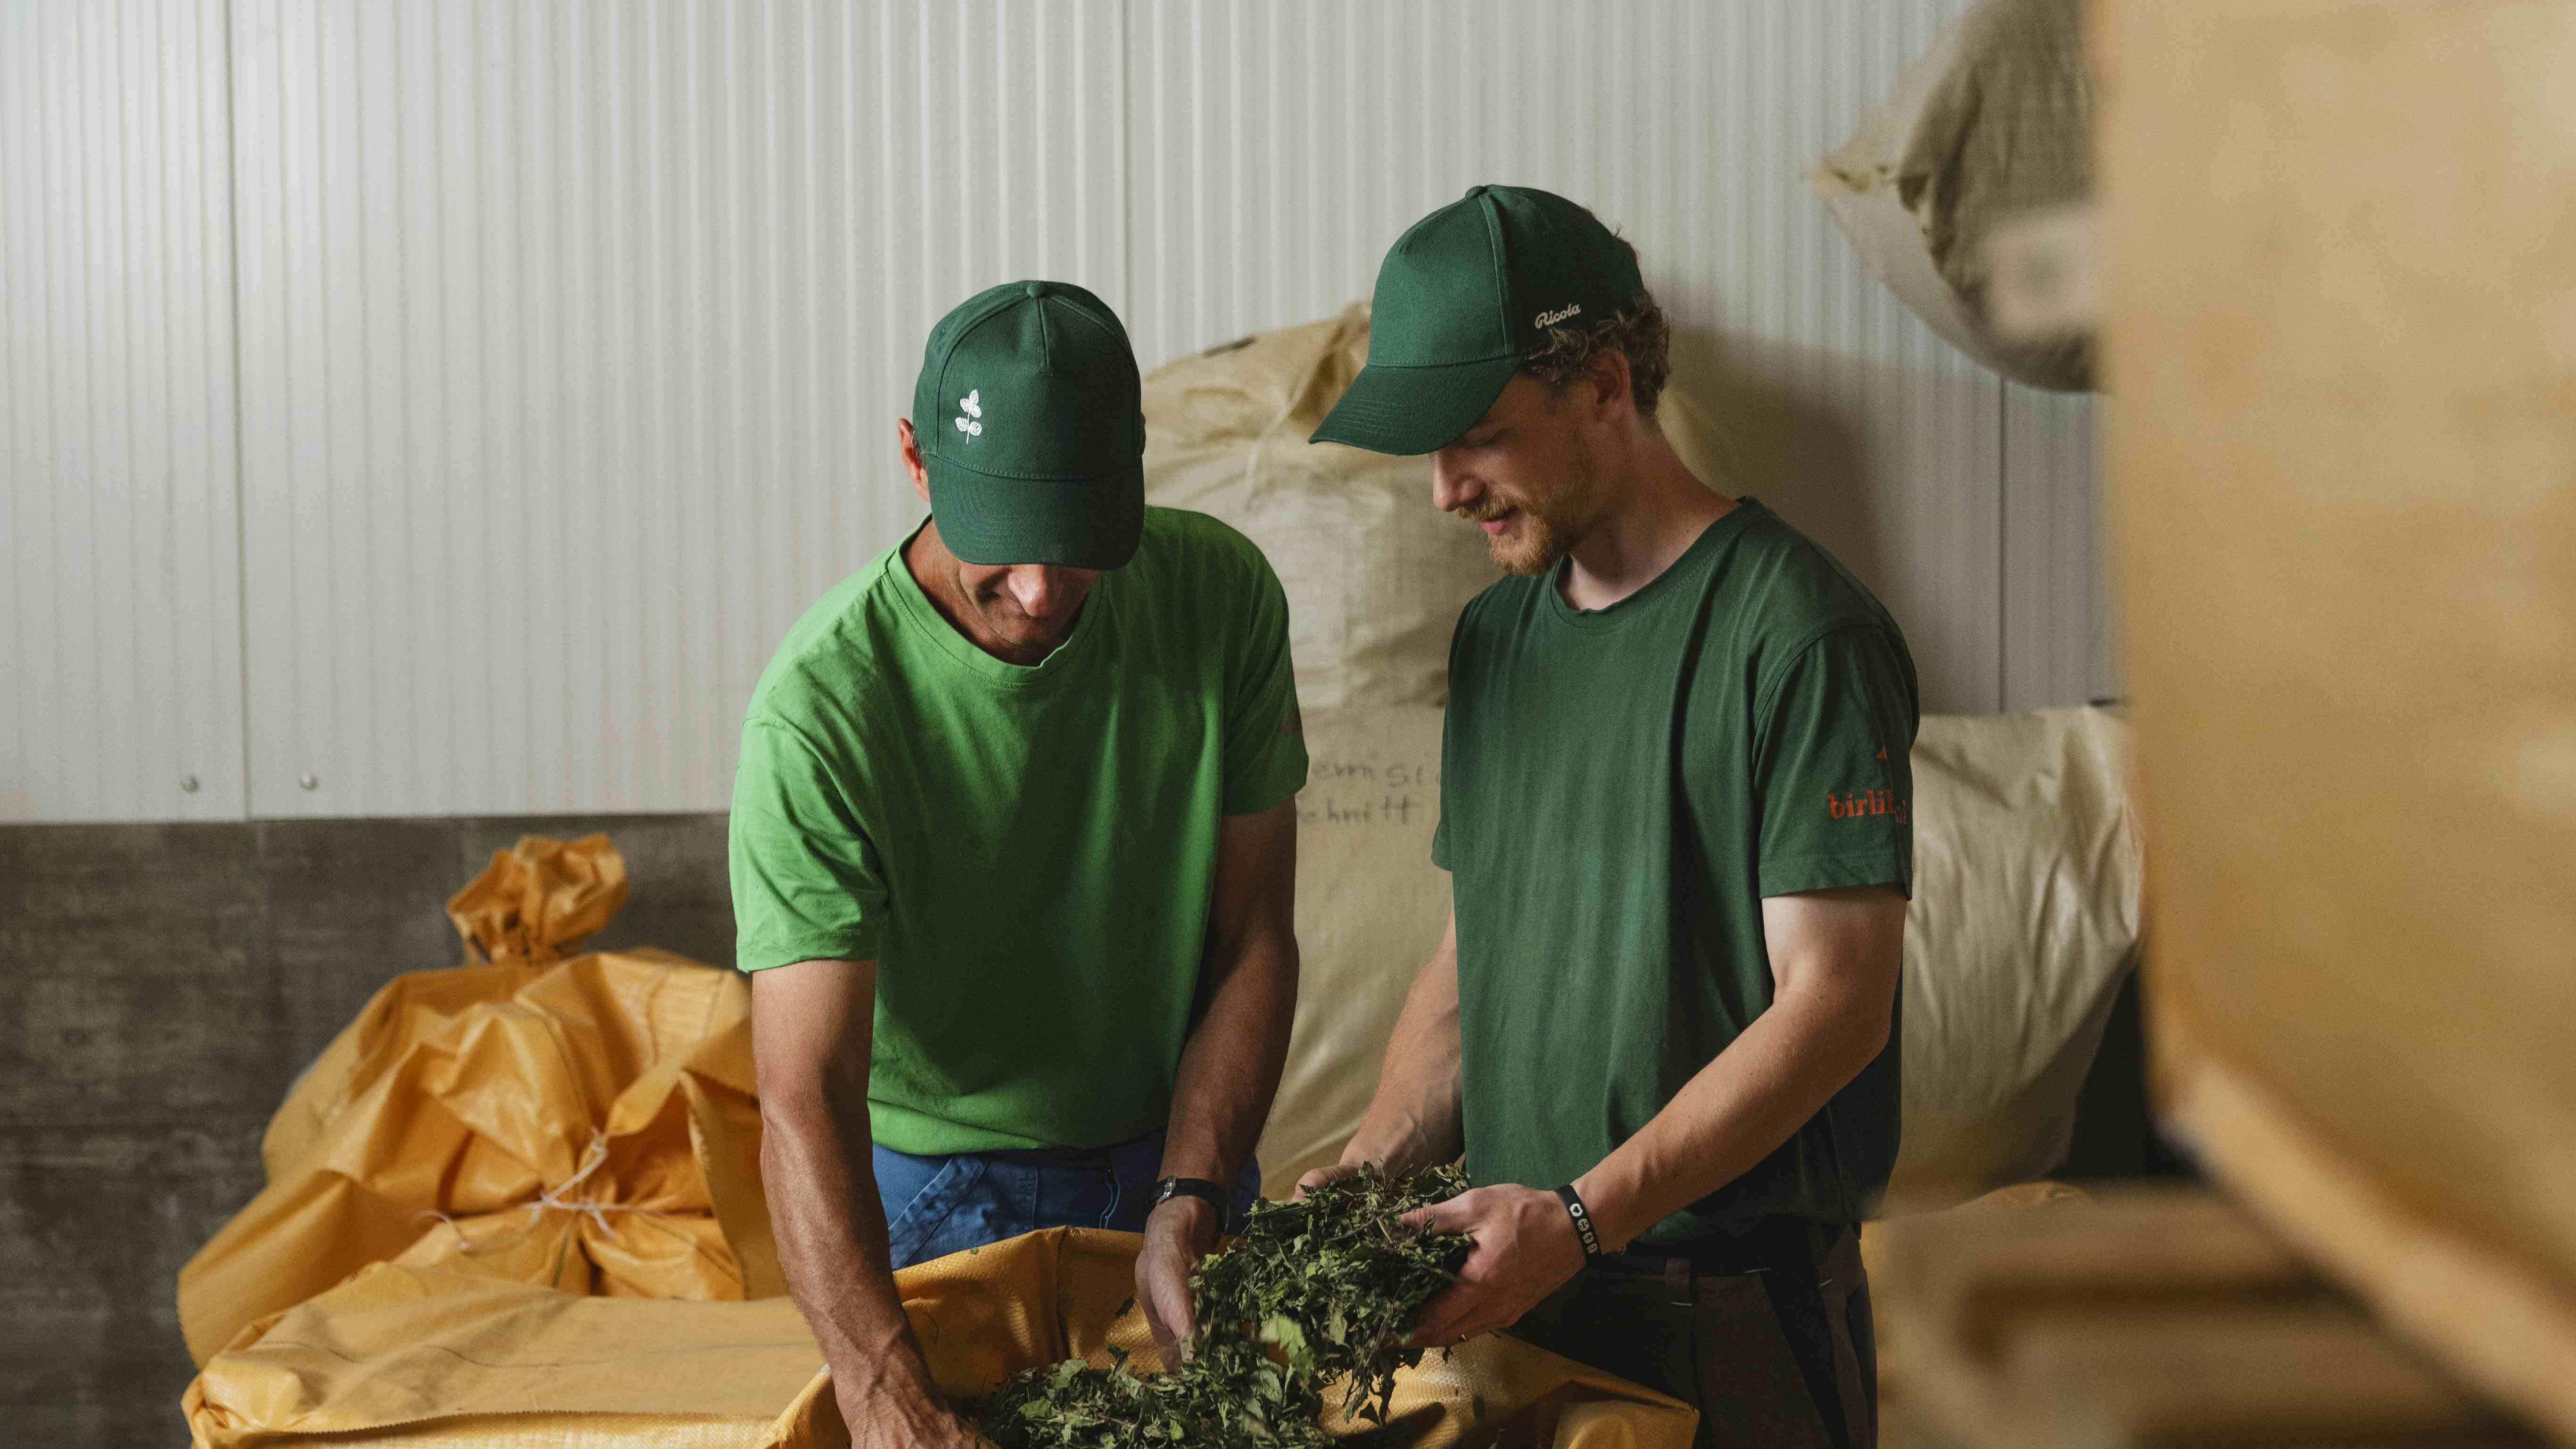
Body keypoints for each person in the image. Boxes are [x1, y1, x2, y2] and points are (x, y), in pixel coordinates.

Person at [1303, 187, 1915, 1449]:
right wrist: (1365, 1177)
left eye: (1478, 436)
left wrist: (1582, 1218)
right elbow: (1473, 968)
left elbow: (1839, 1002)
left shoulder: (1798, 634)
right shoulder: (1492, 640)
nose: (1443, 490)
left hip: (1726, 1321)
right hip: (1517, 1313)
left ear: (1603, 385)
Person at [733, 280, 1308, 1448]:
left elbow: (1253, 935)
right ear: (915, 461)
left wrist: (1191, 1191)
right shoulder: (822, 710)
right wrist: (880, 1388)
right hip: (935, 1188)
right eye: (999, 537)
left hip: (1171, 1149)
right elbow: (805, 1088)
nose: (1041, 591)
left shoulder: (1220, 599)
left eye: (1080, 539)